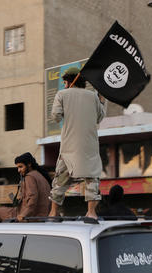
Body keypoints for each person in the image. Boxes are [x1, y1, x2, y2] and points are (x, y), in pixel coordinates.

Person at [48, 67, 105, 219]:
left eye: (65, 82)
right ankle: (91, 213)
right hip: (89, 146)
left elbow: (56, 116)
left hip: (69, 146)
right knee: (92, 178)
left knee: (60, 180)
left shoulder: (62, 94)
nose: (64, 85)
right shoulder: (93, 96)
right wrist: (102, 101)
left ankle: (53, 213)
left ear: (68, 81)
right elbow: (99, 118)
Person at [0, 152, 52, 222]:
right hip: (40, 214)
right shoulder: (40, 175)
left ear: (29, 164)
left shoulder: (30, 177)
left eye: (21, 167)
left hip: (30, 215)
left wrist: (23, 214)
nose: (18, 170)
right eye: (17, 167)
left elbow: (32, 199)